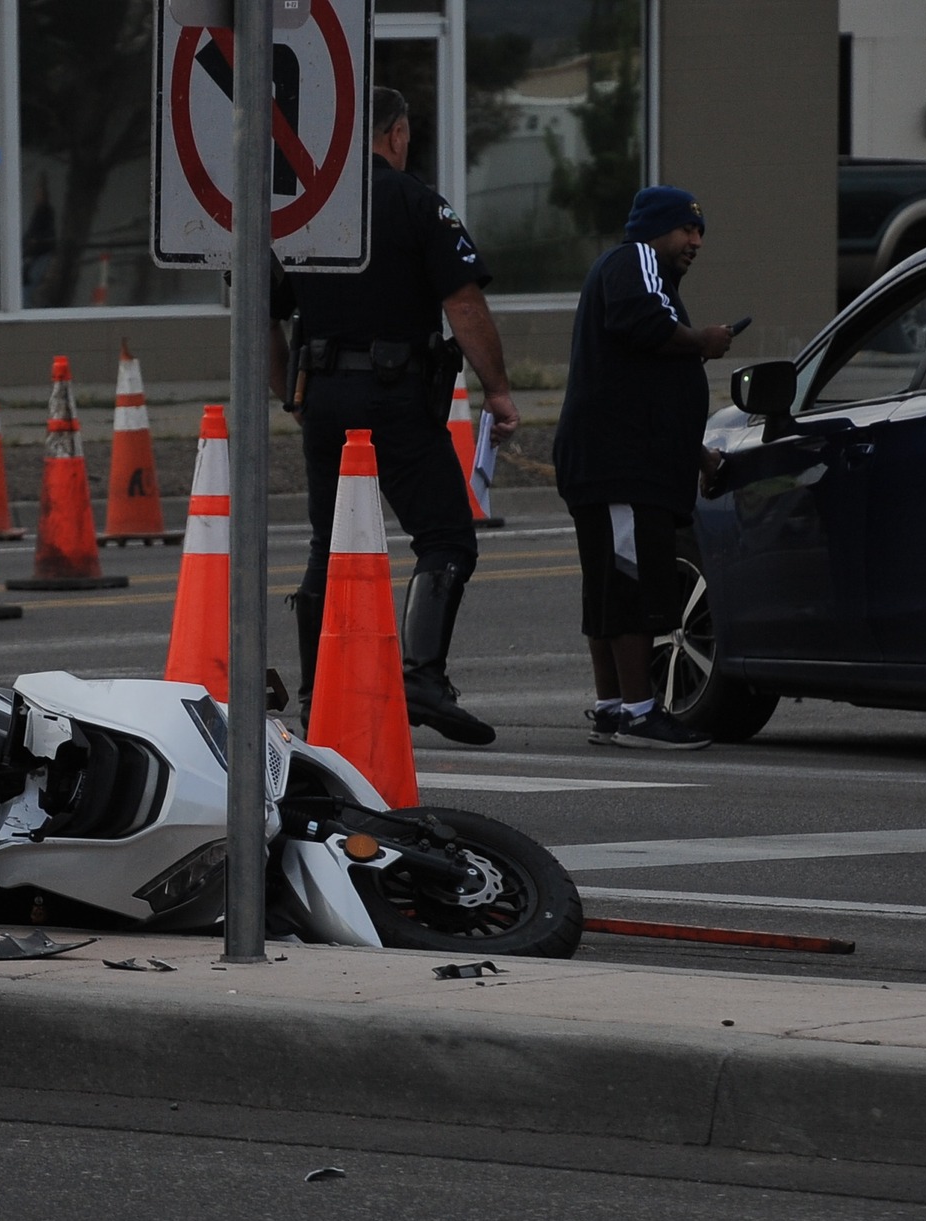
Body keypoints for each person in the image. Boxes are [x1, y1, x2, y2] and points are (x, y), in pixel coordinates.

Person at [285, 86, 519, 746]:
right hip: (394, 397)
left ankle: (317, 694)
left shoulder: (302, 212)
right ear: (395, 134)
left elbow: (263, 315)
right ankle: (420, 674)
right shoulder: (417, 203)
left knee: (327, 545)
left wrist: (295, 395)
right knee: (445, 537)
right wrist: (497, 390)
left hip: (324, 398)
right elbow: (465, 306)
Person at [553, 185, 734, 750]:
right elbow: (643, 324)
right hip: (620, 466)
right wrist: (702, 341)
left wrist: (698, 455)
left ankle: (612, 709)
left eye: (700, 232)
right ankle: (638, 712)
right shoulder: (636, 261)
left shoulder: (634, 271)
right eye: (687, 230)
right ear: (654, 229)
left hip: (615, 461)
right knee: (630, 586)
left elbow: (643, 390)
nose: (695, 242)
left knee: (609, 588)